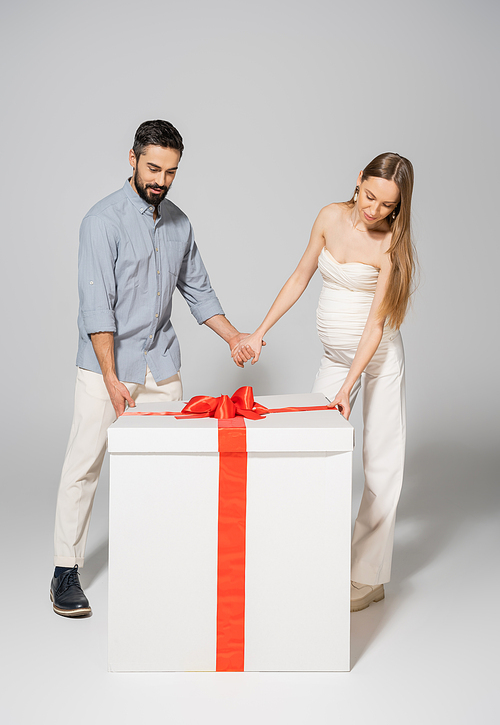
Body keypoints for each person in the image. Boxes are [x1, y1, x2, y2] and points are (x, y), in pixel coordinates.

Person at [51, 120, 251, 617]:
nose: (161, 178)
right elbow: (97, 309)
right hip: (107, 368)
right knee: (84, 465)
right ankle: (64, 571)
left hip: (161, 366)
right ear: (133, 159)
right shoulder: (102, 221)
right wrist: (113, 379)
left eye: (171, 171)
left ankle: (161, 562)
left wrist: (235, 339)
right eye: (153, 167)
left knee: (172, 466)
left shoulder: (180, 223)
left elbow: (198, 290)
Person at [231, 153, 415, 612]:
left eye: (387, 206)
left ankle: (367, 577)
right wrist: (259, 331)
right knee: (317, 452)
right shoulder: (329, 217)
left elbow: (376, 326)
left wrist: (348, 387)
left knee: (381, 465)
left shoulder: (391, 242)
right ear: (359, 180)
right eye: (370, 196)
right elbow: (299, 276)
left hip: (377, 359)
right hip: (335, 357)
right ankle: (317, 557)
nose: (374, 211)